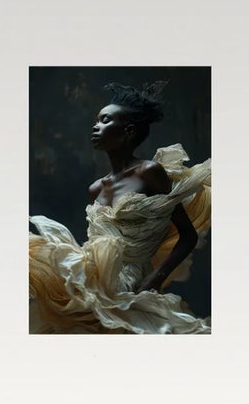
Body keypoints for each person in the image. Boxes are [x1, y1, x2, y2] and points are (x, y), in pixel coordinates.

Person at [28, 80, 212, 334]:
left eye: (105, 120)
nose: (96, 126)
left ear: (129, 131)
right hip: (91, 277)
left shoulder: (149, 172)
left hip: (132, 282)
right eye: (96, 120)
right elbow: (98, 243)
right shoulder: (96, 188)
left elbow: (188, 235)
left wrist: (156, 278)